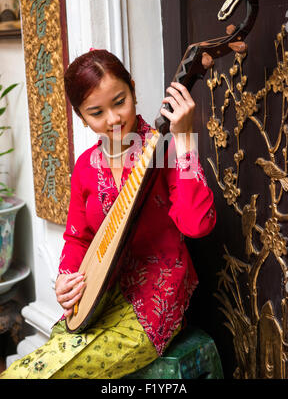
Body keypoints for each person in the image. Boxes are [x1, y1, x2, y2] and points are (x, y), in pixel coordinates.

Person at [0, 49, 216, 379]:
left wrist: (185, 138)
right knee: (41, 361)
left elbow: (197, 224)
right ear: (81, 117)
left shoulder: (162, 149)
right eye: (97, 112)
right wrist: (66, 277)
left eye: (119, 101)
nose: (113, 119)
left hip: (157, 297)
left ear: (132, 88)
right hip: (101, 292)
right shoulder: (86, 167)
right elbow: (77, 237)